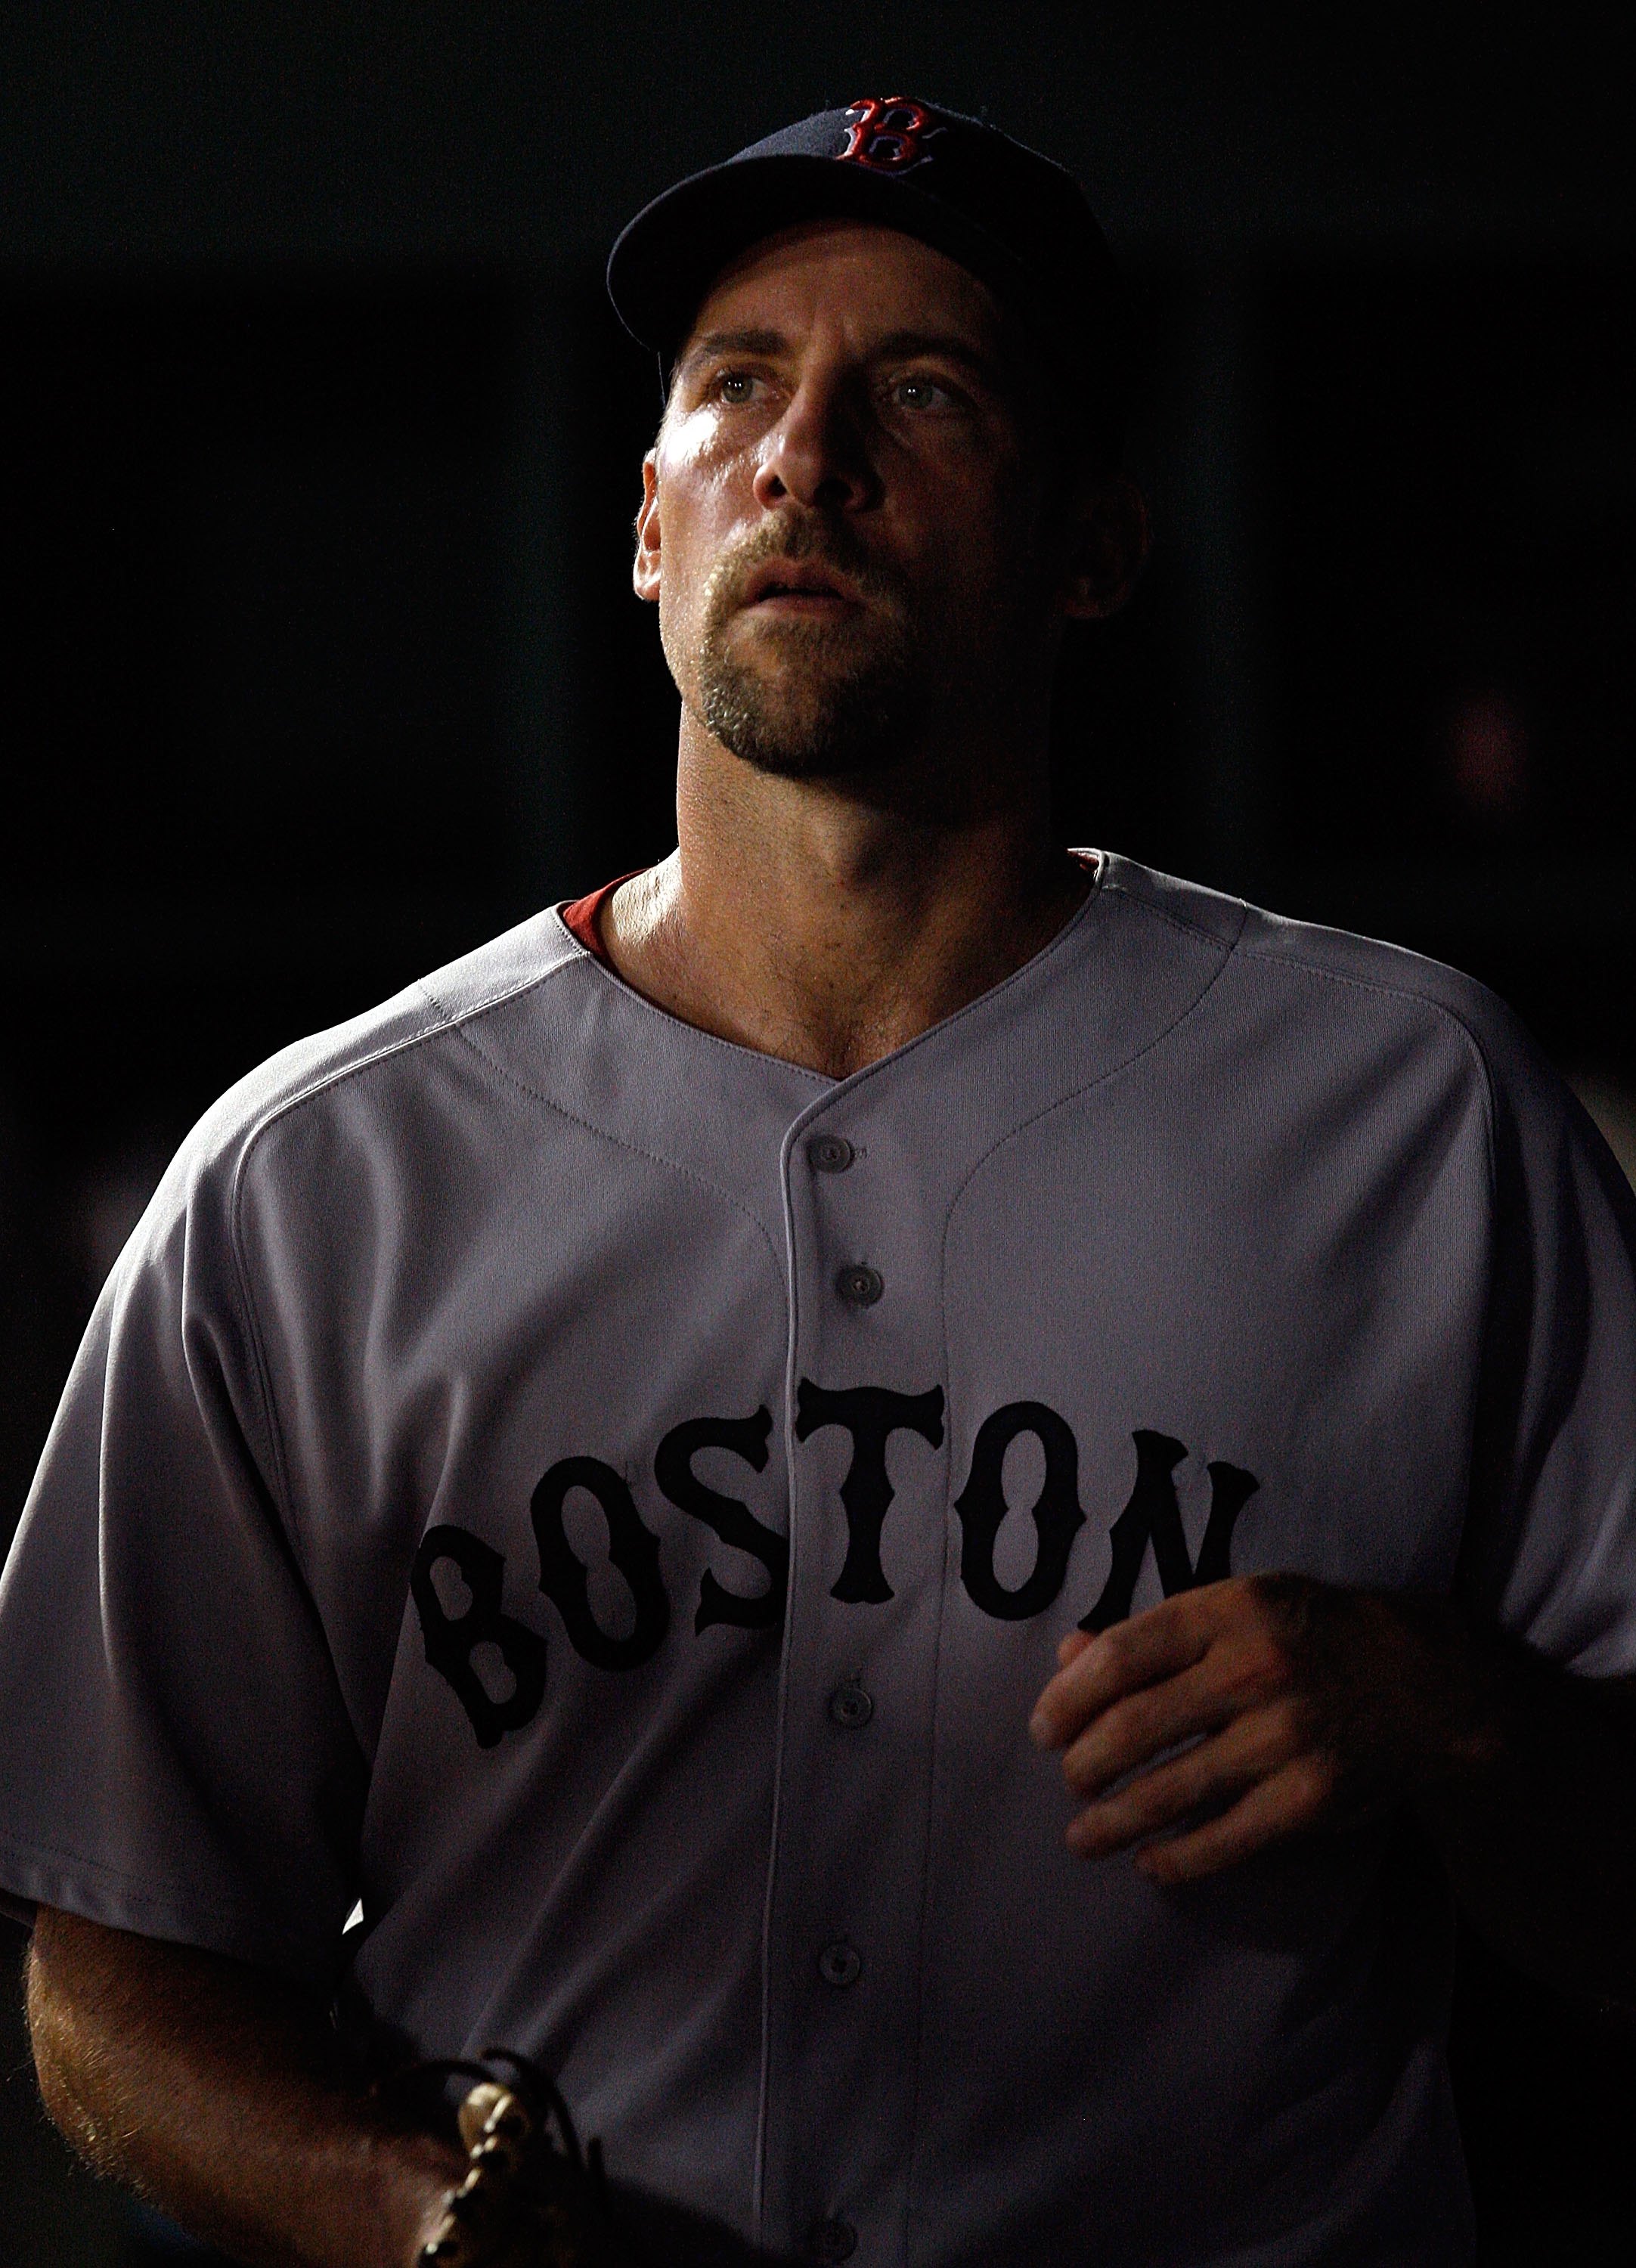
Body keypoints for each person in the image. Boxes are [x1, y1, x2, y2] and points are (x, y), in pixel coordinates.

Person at [4, 97, 1636, 2268]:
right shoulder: (312, 1176)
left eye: (927, 393)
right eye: (735, 388)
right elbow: (108, 1972)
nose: (806, 456)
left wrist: (1456, 1717)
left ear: (1093, 546)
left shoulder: (1418, 1112)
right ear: (649, 527)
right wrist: (419, 2220)